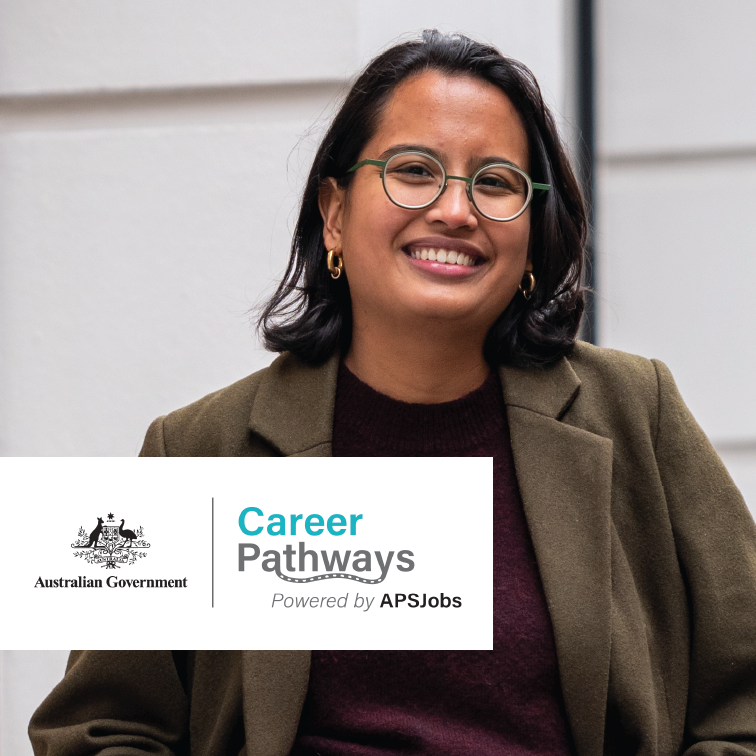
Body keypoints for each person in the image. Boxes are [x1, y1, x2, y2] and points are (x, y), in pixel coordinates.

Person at [30, 30, 756, 756]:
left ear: (533, 238)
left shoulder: (639, 412)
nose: (456, 210)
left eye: (496, 182)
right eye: (415, 170)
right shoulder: (193, 453)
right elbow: (100, 730)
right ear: (335, 213)